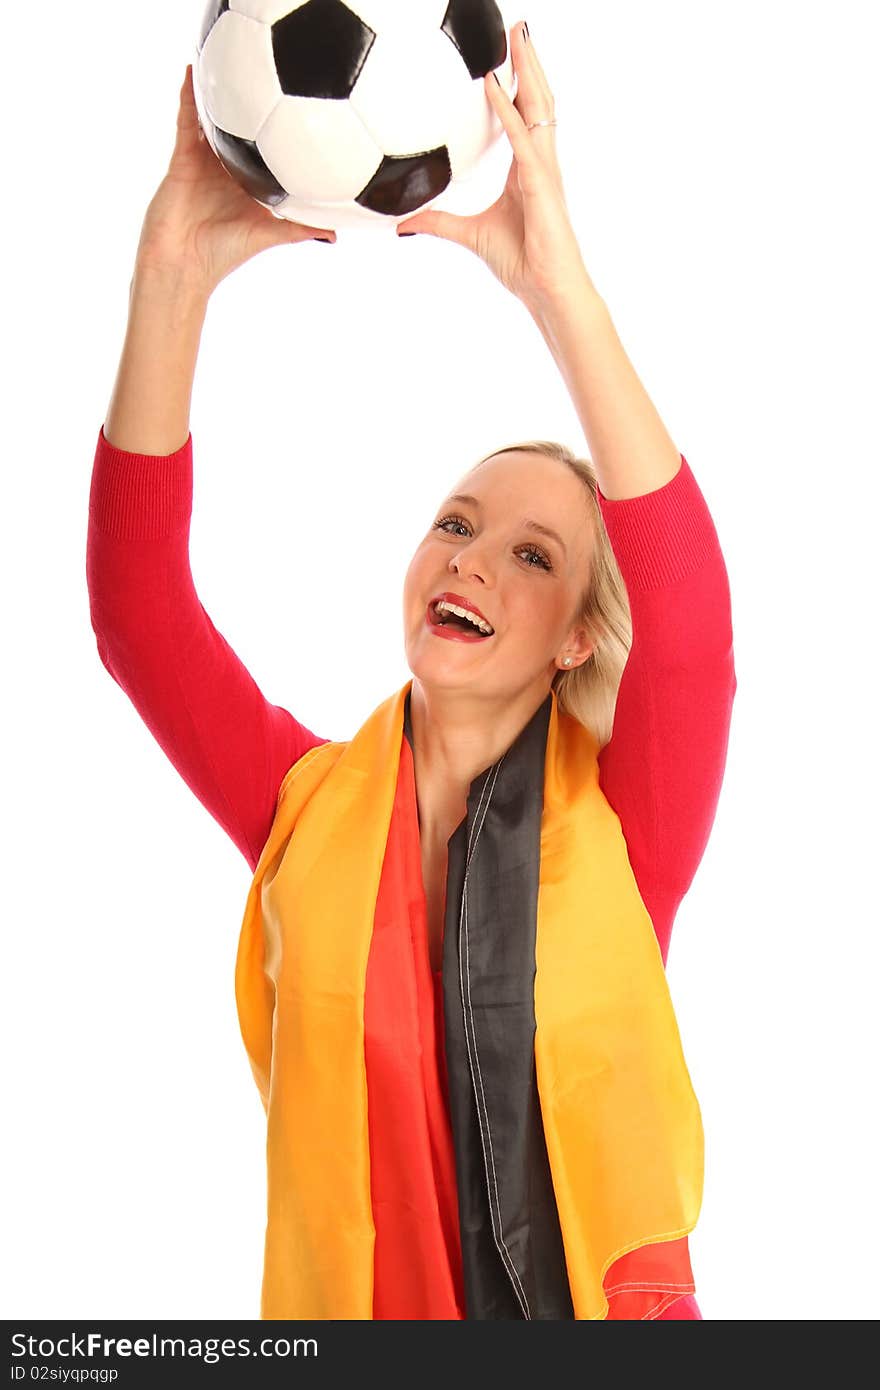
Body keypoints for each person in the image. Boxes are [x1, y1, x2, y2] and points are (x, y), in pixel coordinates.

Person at [87, 24, 736, 1321]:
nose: (472, 562)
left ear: (574, 637)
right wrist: (171, 270)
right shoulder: (304, 806)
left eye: (531, 553)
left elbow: (695, 625)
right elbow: (139, 613)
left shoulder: (625, 823)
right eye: (454, 521)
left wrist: (554, 279)